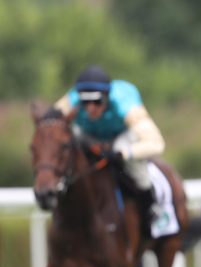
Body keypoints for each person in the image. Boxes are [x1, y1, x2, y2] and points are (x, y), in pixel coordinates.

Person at [54, 65, 165, 223]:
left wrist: (122, 154)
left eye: (97, 101)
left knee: (128, 158)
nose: (91, 108)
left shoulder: (125, 105)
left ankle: (151, 207)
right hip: (89, 136)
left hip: (122, 137)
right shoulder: (70, 101)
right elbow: (48, 127)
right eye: (85, 102)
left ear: (107, 97)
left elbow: (157, 144)